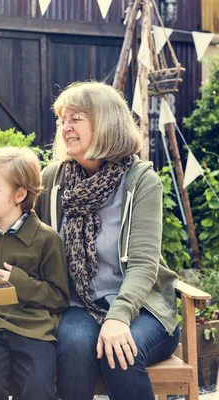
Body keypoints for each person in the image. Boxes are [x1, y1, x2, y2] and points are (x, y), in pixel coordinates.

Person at [36, 81, 180, 400]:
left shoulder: (141, 180)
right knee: (72, 346)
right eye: (62, 120)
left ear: (104, 123)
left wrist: (119, 315)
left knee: (121, 354)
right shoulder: (53, 179)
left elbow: (143, 263)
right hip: (79, 303)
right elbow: (15, 218)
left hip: (142, 306)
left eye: (76, 118)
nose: (65, 128)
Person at [0, 147, 69, 400]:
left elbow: (59, 297)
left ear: (20, 194)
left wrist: (19, 283)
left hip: (33, 331)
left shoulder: (47, 239)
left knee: (38, 391)